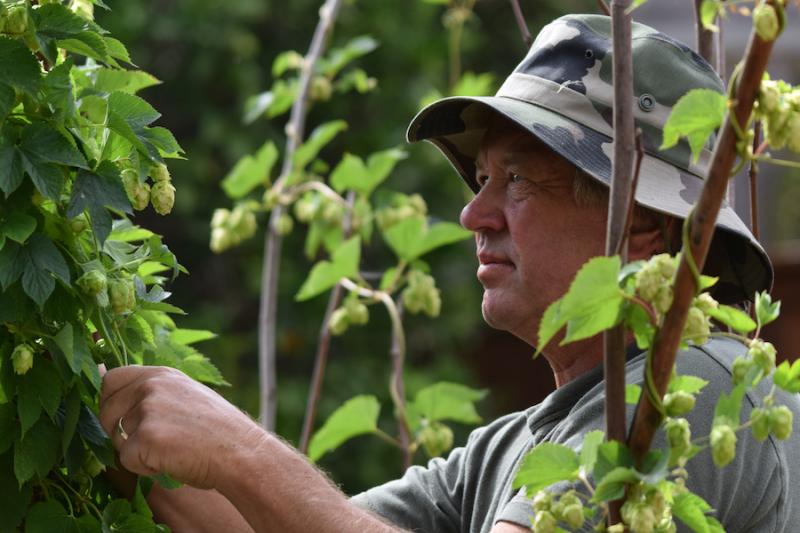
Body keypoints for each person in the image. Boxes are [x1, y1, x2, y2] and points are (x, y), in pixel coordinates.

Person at [98, 14, 800, 533]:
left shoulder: (698, 386)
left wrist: (238, 448)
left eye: (518, 178)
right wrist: (112, 427)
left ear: (643, 222)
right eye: (483, 176)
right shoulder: (508, 451)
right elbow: (277, 523)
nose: (474, 214)